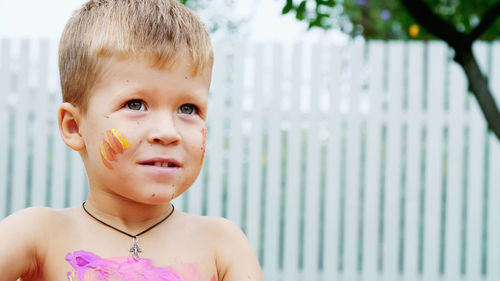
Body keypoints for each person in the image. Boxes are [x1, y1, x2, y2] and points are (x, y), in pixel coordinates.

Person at [0, 0, 263, 280]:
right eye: (135, 105)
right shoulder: (39, 235)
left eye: (188, 109)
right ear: (75, 126)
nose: (168, 132)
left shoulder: (222, 246)